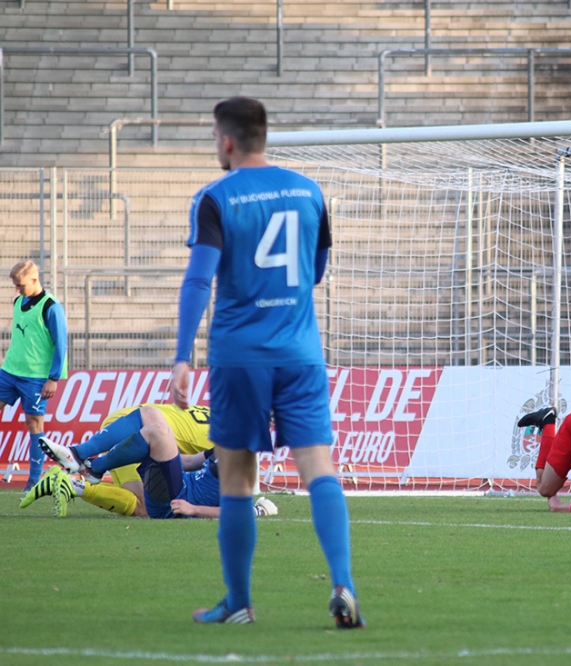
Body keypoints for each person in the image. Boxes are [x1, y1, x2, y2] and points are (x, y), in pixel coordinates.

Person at [167, 96, 361, 627]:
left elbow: (198, 281)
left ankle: (239, 603)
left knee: (236, 478)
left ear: (227, 140)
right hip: (300, 353)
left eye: (215, 137)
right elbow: (316, 270)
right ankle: (343, 583)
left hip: (239, 357)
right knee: (318, 466)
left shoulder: (215, 197)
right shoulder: (309, 191)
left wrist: (182, 357)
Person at [38, 403, 216, 517]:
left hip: (136, 419)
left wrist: (194, 509)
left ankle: (76, 472)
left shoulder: (222, 424)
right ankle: (83, 464)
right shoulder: (219, 442)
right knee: (142, 506)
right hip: (137, 429)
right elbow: (192, 461)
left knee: (146, 505)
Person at [0, 260, 68, 489]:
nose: (17, 290)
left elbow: (61, 344)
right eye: (15, 285)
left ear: (34, 279)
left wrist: (53, 378)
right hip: (9, 371)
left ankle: (33, 481)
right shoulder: (18, 301)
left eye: (20, 285)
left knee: (34, 425)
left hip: (36, 378)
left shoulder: (51, 307)